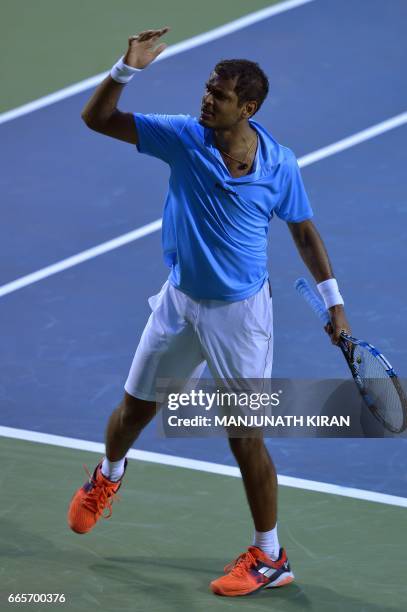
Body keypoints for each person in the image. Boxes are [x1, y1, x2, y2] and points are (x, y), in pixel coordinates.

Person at [67, 27, 351, 597]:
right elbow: (97, 119)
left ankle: (270, 557)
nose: (205, 100)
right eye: (206, 89)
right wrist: (126, 69)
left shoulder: (280, 165)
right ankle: (108, 476)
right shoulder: (182, 138)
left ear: (247, 107)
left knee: (245, 436)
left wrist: (334, 302)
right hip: (179, 303)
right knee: (134, 409)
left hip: (240, 318)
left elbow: (303, 231)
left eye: (218, 95)